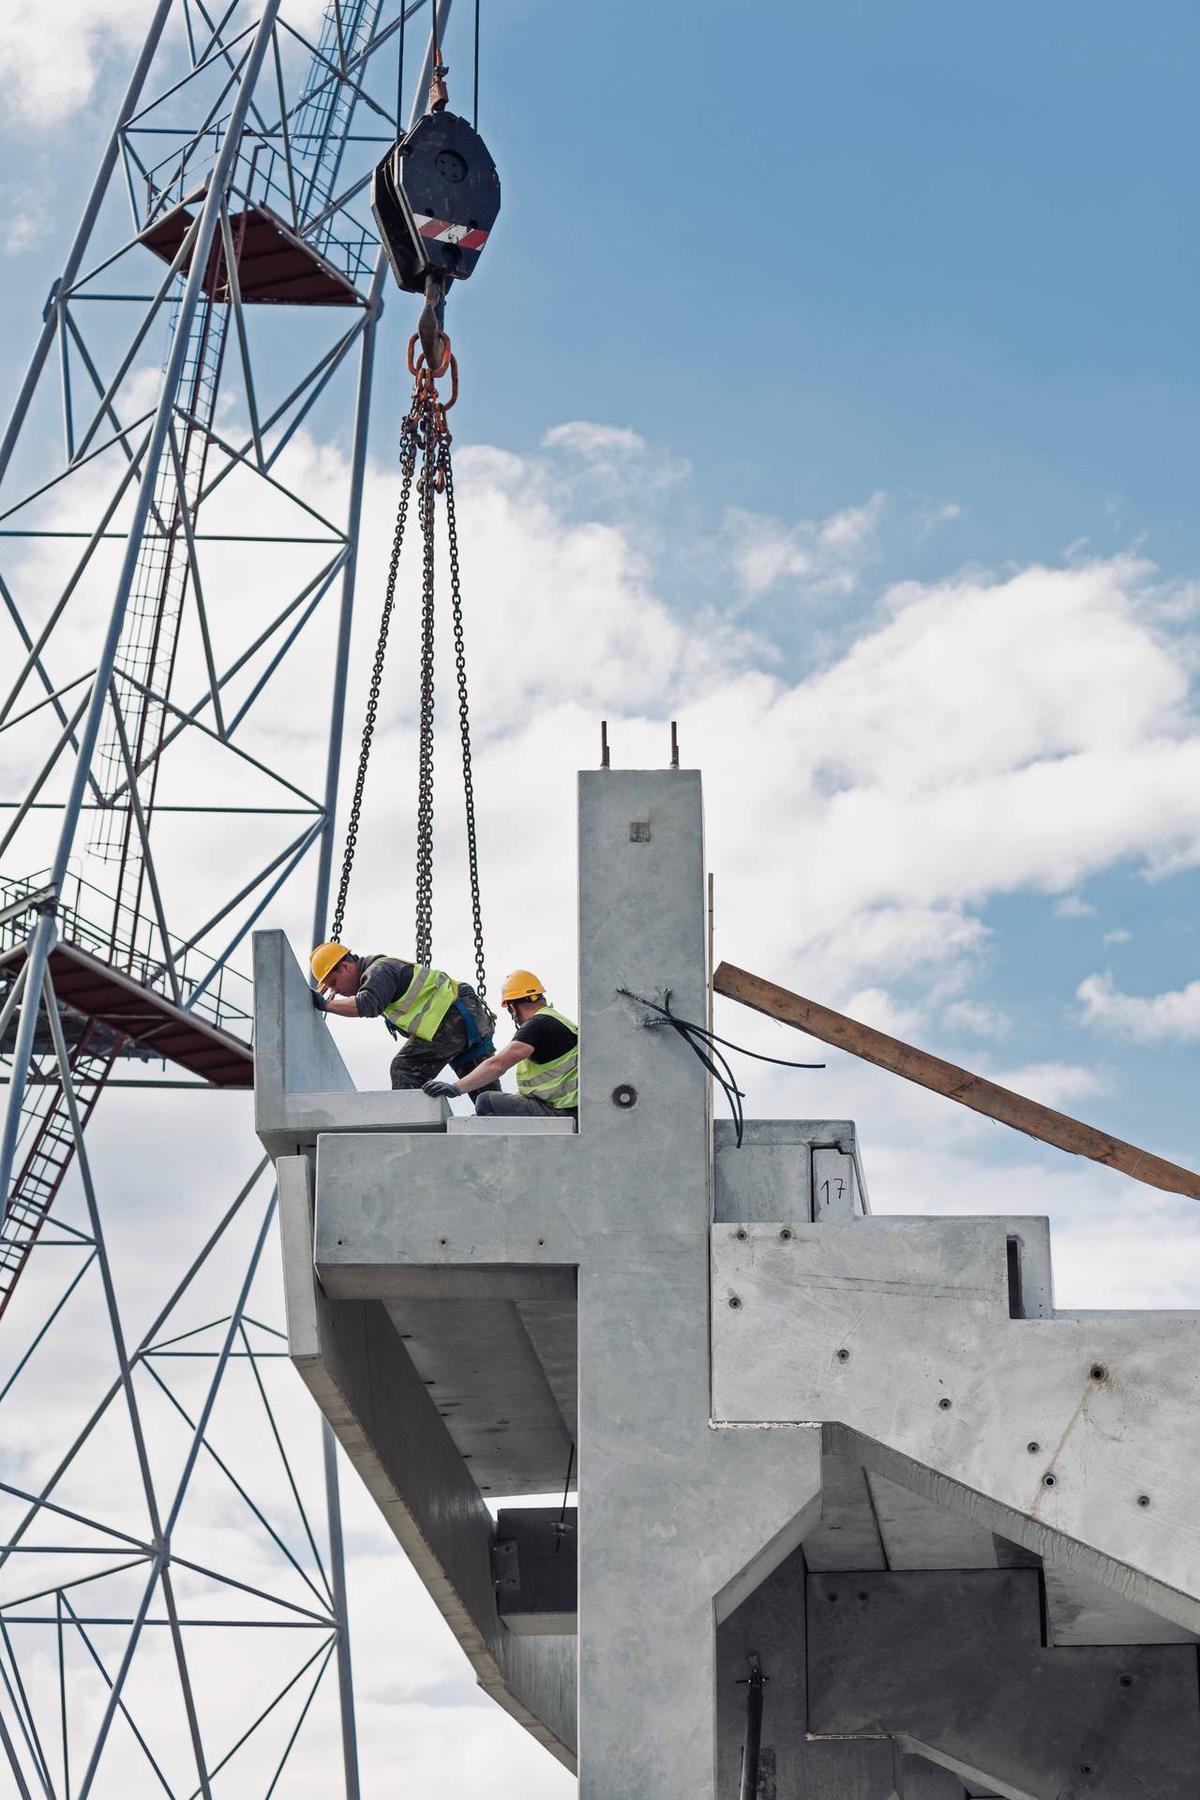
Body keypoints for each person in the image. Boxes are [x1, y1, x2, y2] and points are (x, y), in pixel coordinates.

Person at [309, 942, 499, 1093]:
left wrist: (326, 1005)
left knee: (404, 1068)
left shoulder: (378, 971)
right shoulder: (380, 972)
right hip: (466, 1019)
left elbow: (365, 1004)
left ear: (345, 967)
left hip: (453, 1018)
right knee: (486, 1096)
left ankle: (411, 1136)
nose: (336, 991)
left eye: (333, 983)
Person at [422, 969, 578, 1120]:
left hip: (560, 1111)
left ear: (512, 1007)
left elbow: (497, 1065)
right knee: (497, 1108)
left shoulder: (538, 1024)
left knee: (486, 1101)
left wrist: (455, 1088)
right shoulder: (557, 1021)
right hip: (569, 1109)